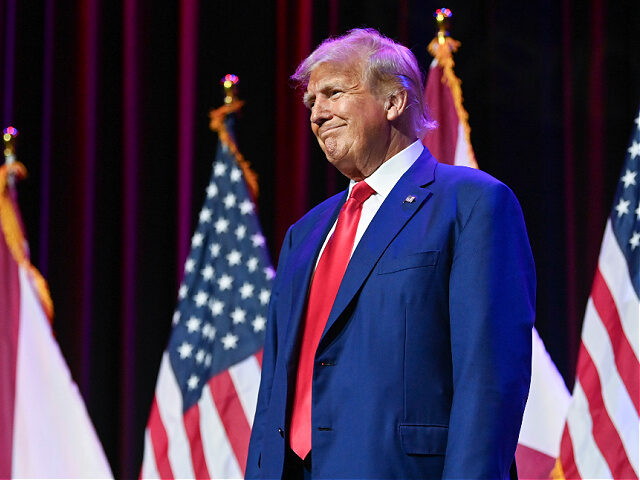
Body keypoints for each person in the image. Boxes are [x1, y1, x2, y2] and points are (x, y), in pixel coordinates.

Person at [246, 28, 535, 480]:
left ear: (394, 101)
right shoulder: (303, 235)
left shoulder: (471, 203)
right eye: (310, 104)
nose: (317, 114)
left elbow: (489, 382)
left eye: (333, 94)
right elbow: (273, 397)